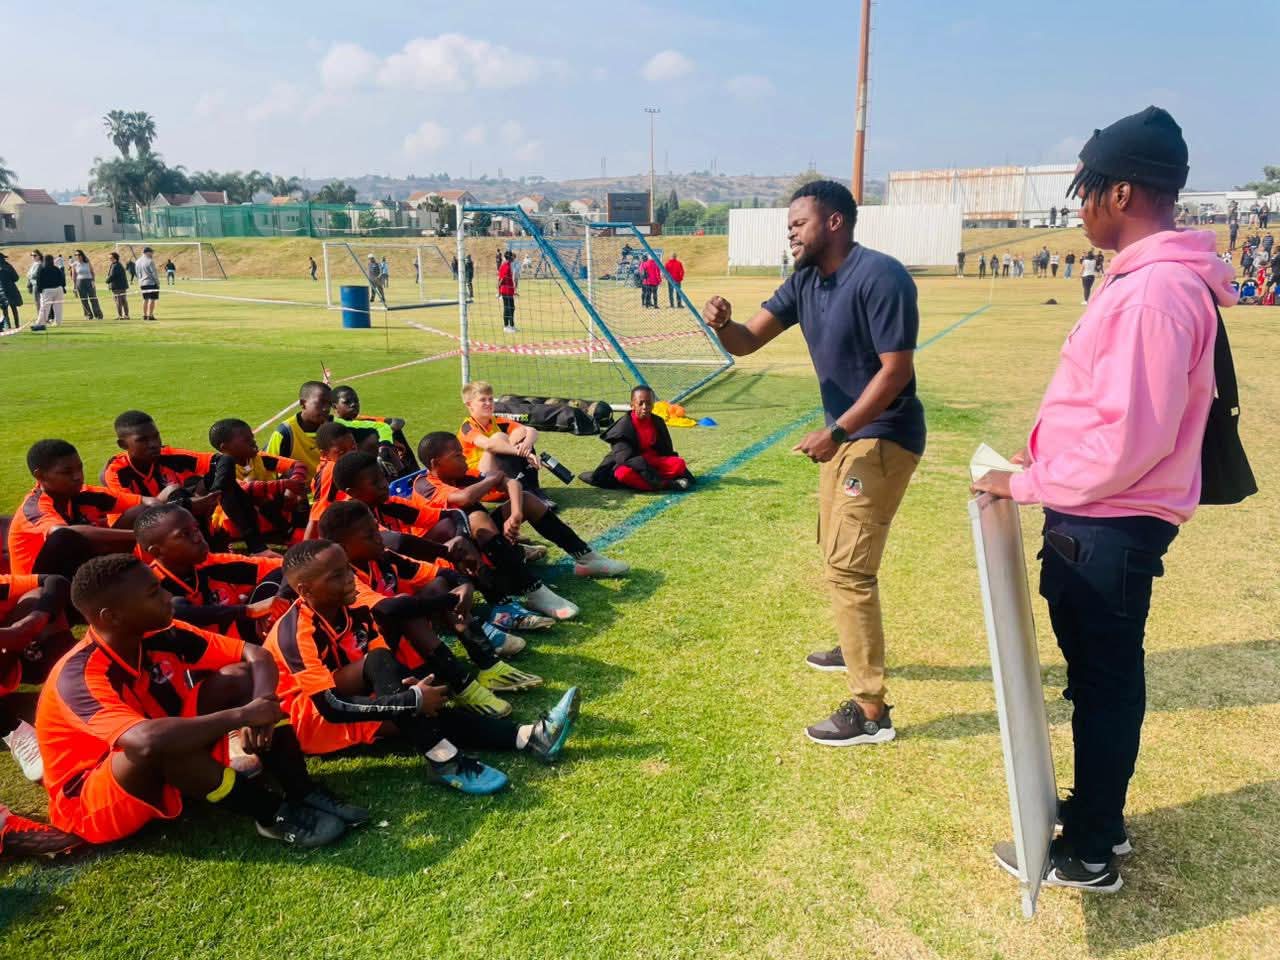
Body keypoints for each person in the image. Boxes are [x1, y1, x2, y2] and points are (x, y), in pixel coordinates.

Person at [974, 105, 1236, 894]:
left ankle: (1090, 848)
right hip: (1102, 521)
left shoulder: (1153, 293)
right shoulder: (1149, 283)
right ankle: (1099, 817)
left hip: (1110, 525)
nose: (1080, 207)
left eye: (1085, 191)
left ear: (1121, 193)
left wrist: (1025, 483)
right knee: (1099, 679)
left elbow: (1132, 440)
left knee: (1106, 681)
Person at [702, 179, 924, 747]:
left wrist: (838, 430)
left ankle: (871, 711)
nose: (790, 231)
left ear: (834, 223)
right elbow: (747, 341)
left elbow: (894, 371)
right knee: (833, 550)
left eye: (798, 222)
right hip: (845, 436)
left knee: (850, 567)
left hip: (881, 435)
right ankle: (852, 649)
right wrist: (723, 323)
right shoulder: (804, 281)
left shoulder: (881, 276)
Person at [36, 554, 357, 848]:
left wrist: (259, 704)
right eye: (153, 594)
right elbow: (145, 741)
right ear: (112, 616)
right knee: (158, 743)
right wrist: (242, 716)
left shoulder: (157, 631)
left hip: (158, 754)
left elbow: (255, 654)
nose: (167, 598)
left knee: (239, 677)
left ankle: (303, 790)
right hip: (93, 803)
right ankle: (272, 814)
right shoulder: (79, 677)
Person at [262, 540, 578, 786]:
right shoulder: (295, 632)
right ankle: (447, 758)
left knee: (420, 705)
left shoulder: (354, 607)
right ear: (304, 590)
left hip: (348, 691)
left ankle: (526, 737)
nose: (349, 579)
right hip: (309, 718)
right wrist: (408, 700)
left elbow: (380, 662)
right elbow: (329, 706)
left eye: (347, 569)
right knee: (413, 706)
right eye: (337, 576)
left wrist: (406, 694)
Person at [317, 500, 539, 703]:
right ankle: (464, 685)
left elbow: (440, 572)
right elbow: (390, 608)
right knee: (403, 606)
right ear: (343, 548)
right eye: (370, 535)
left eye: (377, 529)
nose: (379, 537)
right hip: (372, 664)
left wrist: (466, 585)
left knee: (437, 585)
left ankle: (487, 663)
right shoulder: (345, 578)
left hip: (404, 644)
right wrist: (452, 598)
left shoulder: (383, 557)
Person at [414, 436, 629, 585]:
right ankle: (527, 588)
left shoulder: (460, 473)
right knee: (477, 516)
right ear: (436, 463)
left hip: (475, 543)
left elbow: (514, 484)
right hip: (451, 558)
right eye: (457, 455)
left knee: (527, 499)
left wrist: (515, 514)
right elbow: (465, 498)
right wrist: (495, 477)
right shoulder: (425, 485)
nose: (464, 458)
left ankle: (586, 557)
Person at [135, 504, 285, 642]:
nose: (198, 537)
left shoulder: (210, 563)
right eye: (184, 534)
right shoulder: (151, 584)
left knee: (281, 575)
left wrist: (272, 606)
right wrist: (248, 610)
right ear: (157, 551)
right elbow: (178, 612)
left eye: (196, 528)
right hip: (195, 662)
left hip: (238, 644)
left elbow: (285, 567)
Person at [8, 439, 153, 579]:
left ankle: (119, 576)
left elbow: (147, 501)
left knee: (140, 511)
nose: (78, 476)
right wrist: (138, 534)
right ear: (40, 475)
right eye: (67, 472)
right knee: (64, 537)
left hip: (78, 570)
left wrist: (167, 501)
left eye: (80, 468)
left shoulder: (83, 493)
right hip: (43, 588)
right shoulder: (34, 509)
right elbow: (64, 534)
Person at [1, 573, 75, 781]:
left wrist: (29, 624)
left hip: (12, 662)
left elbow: (55, 581)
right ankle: (14, 731)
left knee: (37, 597)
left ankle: (76, 685)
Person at [210, 418, 309, 549]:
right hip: (234, 523)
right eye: (247, 440)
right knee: (254, 490)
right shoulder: (220, 467)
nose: (253, 441)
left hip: (266, 514)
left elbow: (298, 465)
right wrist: (284, 484)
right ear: (225, 448)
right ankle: (286, 532)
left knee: (295, 483)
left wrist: (292, 486)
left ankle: (300, 530)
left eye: (252, 437)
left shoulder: (259, 458)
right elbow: (244, 489)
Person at [579, 386, 695, 492]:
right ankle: (666, 484)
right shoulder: (622, 428)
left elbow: (667, 450)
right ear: (632, 405)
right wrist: (655, 479)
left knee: (678, 463)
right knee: (623, 473)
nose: (645, 407)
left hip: (652, 459)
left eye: (648, 403)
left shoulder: (657, 422)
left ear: (653, 404)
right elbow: (626, 459)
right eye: (640, 403)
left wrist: (683, 472)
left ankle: (644, 483)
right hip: (632, 464)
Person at [457, 380, 546, 502]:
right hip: (480, 485)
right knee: (499, 438)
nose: (489, 403)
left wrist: (526, 445)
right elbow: (489, 445)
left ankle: (532, 488)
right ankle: (525, 491)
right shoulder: (467, 427)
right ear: (469, 405)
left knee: (521, 434)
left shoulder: (496, 420)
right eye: (483, 400)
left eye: (491, 399)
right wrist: (523, 453)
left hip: (499, 477)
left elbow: (531, 430)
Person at [265, 380, 333, 480]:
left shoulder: (335, 427)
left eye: (329, 404)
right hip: (297, 492)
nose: (326, 408)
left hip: (326, 490)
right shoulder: (285, 432)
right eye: (321, 402)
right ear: (302, 403)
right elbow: (268, 469)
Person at [34, 254, 66, 328]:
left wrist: (40, 290)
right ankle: (58, 322)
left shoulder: (41, 269)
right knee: (58, 308)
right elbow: (62, 279)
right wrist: (63, 287)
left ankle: (41, 323)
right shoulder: (56, 268)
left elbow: (39, 281)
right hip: (59, 289)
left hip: (47, 290)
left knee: (44, 308)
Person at [0, 252, 24, 330]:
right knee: (14, 308)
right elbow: (16, 278)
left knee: (4, 310)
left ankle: (8, 326)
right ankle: (17, 325)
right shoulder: (8, 266)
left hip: (1, 290)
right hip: (11, 289)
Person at [135, 246, 160, 321]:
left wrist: (140, 280)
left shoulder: (137, 261)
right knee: (152, 299)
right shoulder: (150, 261)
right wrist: (157, 282)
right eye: (151, 252)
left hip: (142, 283)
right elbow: (154, 273)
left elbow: (137, 273)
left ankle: (145, 315)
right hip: (151, 282)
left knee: (145, 299)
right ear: (147, 252)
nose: (152, 253)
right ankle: (150, 315)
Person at [105, 251, 129, 319]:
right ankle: (126, 315)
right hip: (121, 286)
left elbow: (112, 276)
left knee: (119, 301)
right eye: (109, 258)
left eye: (111, 258)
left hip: (118, 287)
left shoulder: (116, 265)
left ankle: (120, 316)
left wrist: (107, 281)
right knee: (123, 301)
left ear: (115, 258)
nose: (109, 259)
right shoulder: (116, 264)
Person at [498, 250, 517, 331]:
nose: (514, 257)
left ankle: (511, 326)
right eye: (512, 256)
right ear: (510, 257)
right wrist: (499, 291)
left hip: (509, 291)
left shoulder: (507, 265)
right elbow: (501, 280)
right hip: (506, 291)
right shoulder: (506, 266)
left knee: (511, 308)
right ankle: (506, 326)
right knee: (508, 308)